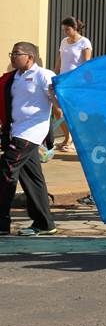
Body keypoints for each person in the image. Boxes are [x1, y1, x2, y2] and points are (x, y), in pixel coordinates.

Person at [0, 42, 57, 236]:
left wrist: (56, 95)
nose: (12, 56)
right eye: (12, 53)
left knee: (6, 169)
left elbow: (57, 101)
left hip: (31, 133)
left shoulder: (44, 75)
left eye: (17, 53)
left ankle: (2, 222)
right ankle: (45, 223)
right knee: (32, 178)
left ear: (30, 57)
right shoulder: (15, 77)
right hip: (16, 131)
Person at [54, 17, 93, 150]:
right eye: (64, 29)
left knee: (74, 112)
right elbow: (60, 60)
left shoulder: (84, 42)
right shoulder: (64, 41)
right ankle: (67, 137)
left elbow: (86, 64)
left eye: (67, 29)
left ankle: (74, 141)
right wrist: (55, 75)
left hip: (77, 83)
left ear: (75, 28)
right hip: (63, 81)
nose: (65, 32)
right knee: (58, 110)